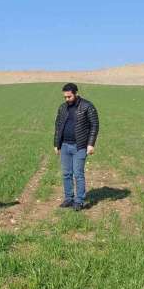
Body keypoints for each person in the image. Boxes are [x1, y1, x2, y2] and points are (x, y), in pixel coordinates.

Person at [53, 83, 99, 211]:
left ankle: (79, 201)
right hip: (65, 145)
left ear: (76, 93)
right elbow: (58, 126)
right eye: (65, 97)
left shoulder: (87, 106)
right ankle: (68, 198)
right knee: (66, 174)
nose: (67, 99)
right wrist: (56, 144)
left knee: (78, 173)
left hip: (80, 146)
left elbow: (94, 125)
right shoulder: (62, 108)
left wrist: (91, 144)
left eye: (69, 97)